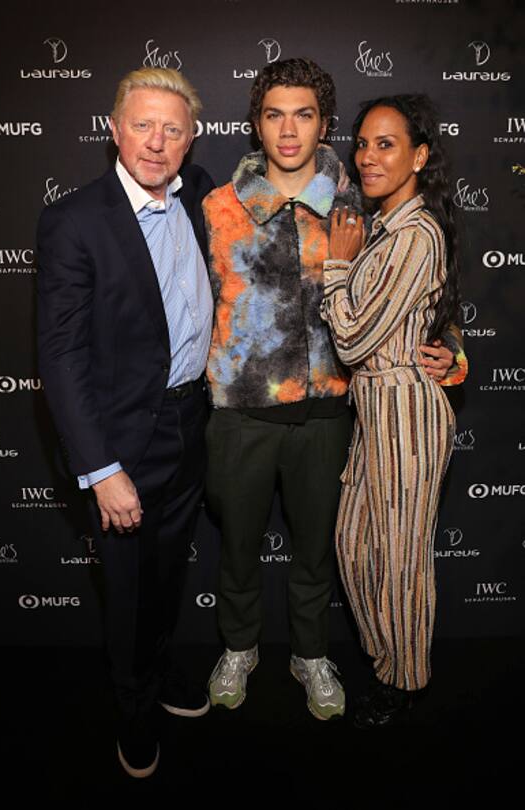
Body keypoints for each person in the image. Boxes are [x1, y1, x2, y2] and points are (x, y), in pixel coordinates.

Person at [202, 60, 462, 721]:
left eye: (305, 114)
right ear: (256, 123)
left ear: (324, 123)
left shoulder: (362, 202)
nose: (289, 131)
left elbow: (422, 297)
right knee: (236, 548)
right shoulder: (218, 207)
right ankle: (238, 647)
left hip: (330, 414)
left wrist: (456, 352)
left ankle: (311, 654)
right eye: (274, 114)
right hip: (243, 413)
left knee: (320, 551)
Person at [37, 67, 214, 778]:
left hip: (190, 423)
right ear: (114, 129)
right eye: (143, 124)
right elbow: (60, 355)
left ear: (191, 140)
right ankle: (133, 706)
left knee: (169, 574)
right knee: (128, 589)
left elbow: (294, 185)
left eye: (173, 129)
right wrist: (102, 469)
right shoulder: (76, 220)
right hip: (121, 443)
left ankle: (161, 670)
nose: (157, 141)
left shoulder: (201, 195)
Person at [321, 93, 467, 728]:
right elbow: (422, 317)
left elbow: (351, 339)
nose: (370, 156)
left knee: (401, 556)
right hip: (376, 406)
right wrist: (454, 347)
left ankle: (405, 681)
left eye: (387, 144)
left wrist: (335, 266)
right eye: (364, 143)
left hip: (406, 408)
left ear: (419, 155)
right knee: (355, 548)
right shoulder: (389, 229)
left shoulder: (416, 233)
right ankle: (388, 659)